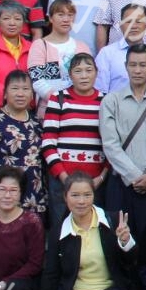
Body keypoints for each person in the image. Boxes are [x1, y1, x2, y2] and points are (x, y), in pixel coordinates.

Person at [35, 173, 137, 290]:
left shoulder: (113, 221)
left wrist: (125, 241)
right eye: (75, 195)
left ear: (94, 196)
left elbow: (131, 262)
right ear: (65, 197)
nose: (81, 201)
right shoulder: (59, 230)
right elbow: (51, 272)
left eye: (87, 195)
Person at [99, 44, 146, 238]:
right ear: (126, 66)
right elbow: (110, 144)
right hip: (121, 184)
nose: (137, 70)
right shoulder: (111, 101)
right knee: (120, 242)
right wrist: (135, 176)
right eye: (133, 65)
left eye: (143, 65)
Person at [43, 53, 109, 229]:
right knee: (61, 229)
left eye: (89, 70)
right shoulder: (58, 98)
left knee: (94, 229)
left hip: (95, 182)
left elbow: (113, 143)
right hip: (62, 181)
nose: (84, 76)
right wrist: (64, 177)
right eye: (78, 71)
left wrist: (101, 177)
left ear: (96, 73)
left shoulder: (106, 101)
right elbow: (48, 143)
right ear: (70, 75)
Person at [0, 70, 46, 216]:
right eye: (15, 88)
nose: (20, 94)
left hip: (33, 198)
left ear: (32, 95)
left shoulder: (36, 123)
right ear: (5, 94)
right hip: (1, 199)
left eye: (25, 89)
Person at [28, 0, 94, 112]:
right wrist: (61, 101)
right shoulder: (40, 45)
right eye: (61, 15)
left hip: (79, 108)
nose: (66, 19)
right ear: (50, 18)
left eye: (70, 15)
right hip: (49, 110)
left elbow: (90, 77)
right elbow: (38, 81)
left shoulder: (82, 47)